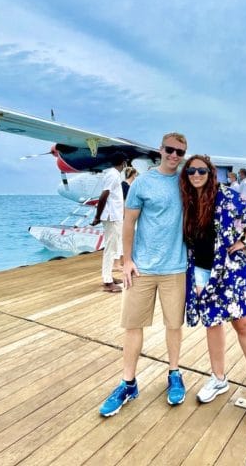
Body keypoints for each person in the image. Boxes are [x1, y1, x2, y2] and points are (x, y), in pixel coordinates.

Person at [99, 132, 189, 417]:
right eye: (171, 150)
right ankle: (128, 383)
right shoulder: (143, 182)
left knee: (174, 325)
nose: (175, 156)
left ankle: (174, 374)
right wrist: (126, 261)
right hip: (143, 268)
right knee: (133, 326)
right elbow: (129, 222)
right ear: (161, 150)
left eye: (180, 152)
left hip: (176, 267)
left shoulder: (187, 182)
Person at [180, 154, 246, 422]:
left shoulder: (226, 195)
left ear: (211, 173)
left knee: (243, 324)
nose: (196, 175)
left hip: (230, 270)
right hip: (202, 272)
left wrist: (245, 240)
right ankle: (219, 379)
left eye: (202, 171)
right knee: (213, 323)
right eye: (191, 171)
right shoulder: (189, 201)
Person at [92, 152, 127, 293]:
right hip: (112, 217)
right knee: (110, 249)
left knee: (113, 247)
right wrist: (97, 216)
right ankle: (107, 282)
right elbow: (104, 195)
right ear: (123, 163)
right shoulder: (113, 175)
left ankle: (109, 277)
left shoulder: (114, 174)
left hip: (115, 216)